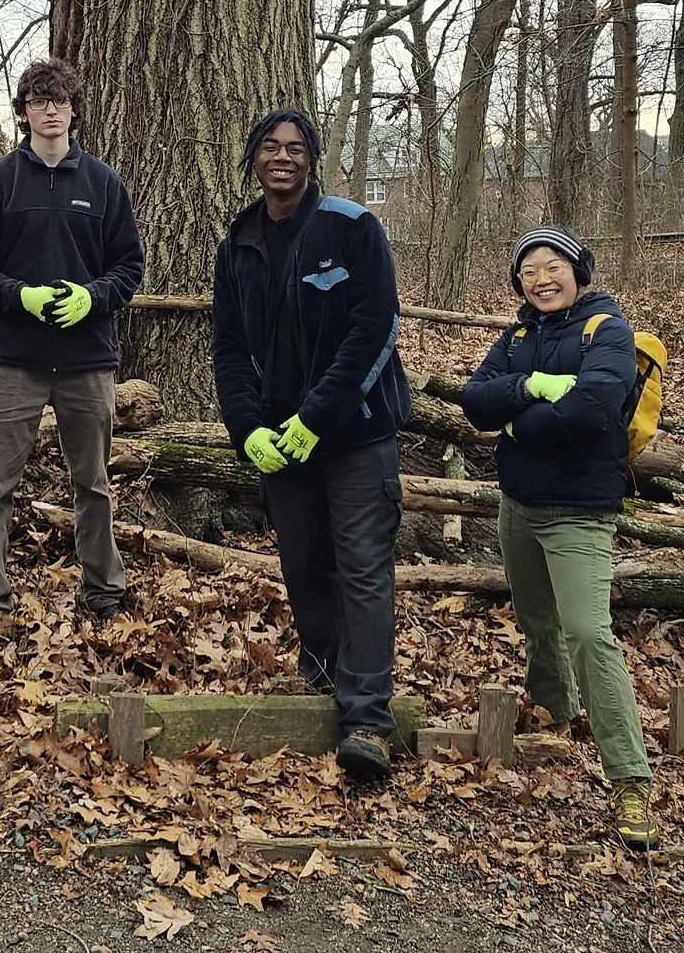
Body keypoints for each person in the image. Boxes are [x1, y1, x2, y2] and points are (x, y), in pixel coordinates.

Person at [210, 109, 410, 782]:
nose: (283, 158)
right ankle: (322, 678)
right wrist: (249, 431)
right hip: (280, 443)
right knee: (301, 564)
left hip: (356, 435)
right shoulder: (237, 241)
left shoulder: (352, 228)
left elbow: (374, 330)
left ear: (312, 160)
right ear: (254, 159)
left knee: (360, 568)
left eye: (296, 149)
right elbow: (229, 349)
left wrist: (319, 417)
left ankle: (366, 720)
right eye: (270, 147)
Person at [458, 226, 659, 851]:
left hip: (578, 510)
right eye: (528, 273)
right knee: (535, 617)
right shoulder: (518, 336)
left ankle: (629, 778)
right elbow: (474, 399)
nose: (541, 280)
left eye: (553, 268)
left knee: (587, 632)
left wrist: (514, 427)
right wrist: (526, 390)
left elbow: (595, 408)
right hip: (518, 504)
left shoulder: (610, 331)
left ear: (578, 270)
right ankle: (556, 711)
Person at [0, 58, 145, 628]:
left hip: (88, 359)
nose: (50, 109)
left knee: (94, 482)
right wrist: (21, 297)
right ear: (24, 112)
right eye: (38, 100)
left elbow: (129, 267)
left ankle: (103, 591)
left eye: (59, 100)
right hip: (12, 360)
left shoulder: (104, 183)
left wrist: (94, 296)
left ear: (74, 109)